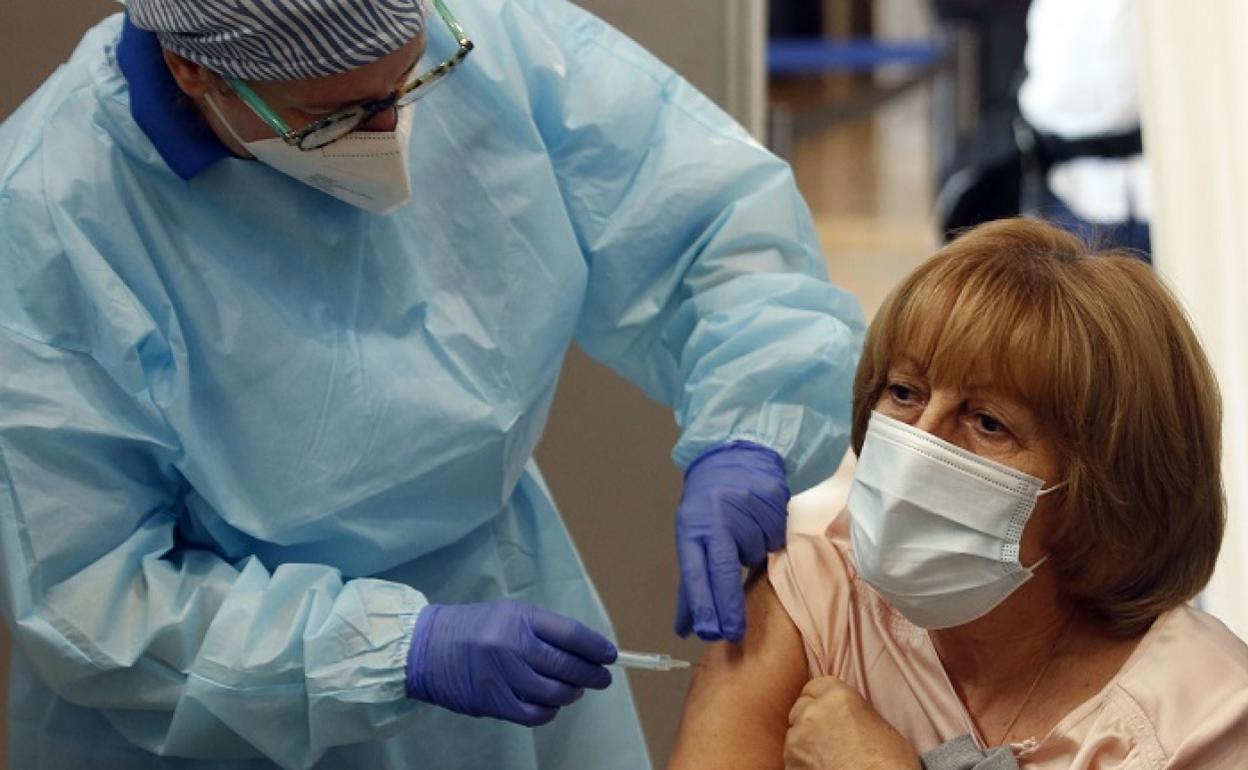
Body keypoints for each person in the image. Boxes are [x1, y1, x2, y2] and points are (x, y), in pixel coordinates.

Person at [0, 1, 865, 768]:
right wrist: (390, 651)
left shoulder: (488, 32)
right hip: (221, 698)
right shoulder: (47, 211)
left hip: (498, 578)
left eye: (413, 81)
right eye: (334, 116)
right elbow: (92, 599)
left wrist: (753, 430)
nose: (392, 136)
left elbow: (713, 226)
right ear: (195, 72)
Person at [668, 218, 1248, 769]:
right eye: (903, 391)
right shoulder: (815, 604)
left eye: (988, 422)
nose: (919, 441)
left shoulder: (1203, 715)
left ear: (1106, 492)